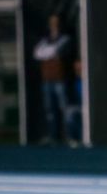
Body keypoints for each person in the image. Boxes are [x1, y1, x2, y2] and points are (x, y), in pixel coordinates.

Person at [33, 14, 77, 146]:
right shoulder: (45, 40)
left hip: (60, 80)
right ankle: (53, 136)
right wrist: (48, 53)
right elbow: (37, 54)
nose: (54, 25)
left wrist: (48, 53)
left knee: (65, 109)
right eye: (52, 23)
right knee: (50, 110)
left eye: (56, 23)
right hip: (47, 80)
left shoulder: (65, 39)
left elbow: (55, 52)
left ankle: (70, 137)